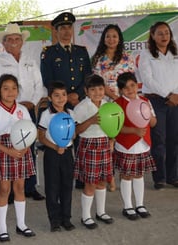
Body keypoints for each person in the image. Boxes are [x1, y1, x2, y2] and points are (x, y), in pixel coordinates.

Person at [0, 23, 46, 202]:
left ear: (22, 41)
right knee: (8, 148)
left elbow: (39, 84)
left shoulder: (30, 59)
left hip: (28, 109)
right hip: (6, 110)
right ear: (4, 43)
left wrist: (33, 102)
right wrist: (12, 102)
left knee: (28, 148)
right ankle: (10, 192)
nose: (14, 42)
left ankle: (29, 186)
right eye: (10, 39)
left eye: (17, 39)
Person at [41, 12, 92, 190]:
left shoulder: (82, 51)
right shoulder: (48, 53)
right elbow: (47, 79)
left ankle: (80, 176)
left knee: (80, 138)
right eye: (62, 28)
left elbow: (88, 76)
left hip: (79, 101)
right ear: (56, 31)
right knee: (60, 138)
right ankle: (62, 175)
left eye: (69, 27)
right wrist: (63, 96)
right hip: (59, 103)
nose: (66, 31)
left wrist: (77, 94)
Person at [0, 74, 36, 242]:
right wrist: (8, 150)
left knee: (20, 187)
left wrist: (25, 147)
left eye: (14, 88)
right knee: (4, 189)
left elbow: (30, 131)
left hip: (21, 150)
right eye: (5, 88)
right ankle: (2, 228)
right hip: (3, 150)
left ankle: (21, 224)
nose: (10, 92)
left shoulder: (22, 110)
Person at [91, 24, 136, 192]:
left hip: (124, 102)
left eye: (114, 36)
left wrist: (120, 98)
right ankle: (108, 177)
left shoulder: (127, 58)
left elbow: (131, 81)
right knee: (107, 142)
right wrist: (110, 95)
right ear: (103, 39)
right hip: (105, 104)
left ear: (119, 39)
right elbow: (96, 82)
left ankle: (123, 174)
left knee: (121, 139)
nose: (111, 39)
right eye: (108, 36)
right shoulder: (98, 59)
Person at [138, 21, 178, 190]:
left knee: (174, 140)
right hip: (156, 101)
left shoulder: (175, 53)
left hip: (176, 100)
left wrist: (175, 95)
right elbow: (148, 80)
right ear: (153, 36)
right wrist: (168, 94)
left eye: (167, 33)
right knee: (159, 140)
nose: (164, 36)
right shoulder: (146, 54)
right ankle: (159, 178)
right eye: (160, 33)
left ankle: (173, 177)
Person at [114, 72, 157, 220]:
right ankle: (127, 206)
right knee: (126, 175)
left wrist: (149, 116)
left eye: (132, 85)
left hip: (143, 144)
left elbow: (153, 122)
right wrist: (134, 130)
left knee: (139, 174)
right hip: (126, 146)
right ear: (120, 90)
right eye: (125, 88)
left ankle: (140, 204)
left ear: (137, 85)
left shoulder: (145, 101)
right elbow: (116, 127)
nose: (130, 89)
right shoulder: (117, 104)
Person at [73, 74, 114, 229]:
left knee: (102, 180)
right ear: (86, 91)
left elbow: (113, 127)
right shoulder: (81, 107)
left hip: (104, 144)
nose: (97, 92)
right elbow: (76, 131)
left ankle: (101, 212)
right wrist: (90, 121)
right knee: (90, 183)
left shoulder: (106, 105)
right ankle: (86, 216)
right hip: (89, 145)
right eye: (93, 89)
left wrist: (111, 140)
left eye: (100, 89)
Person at [37, 81, 75, 232]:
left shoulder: (71, 113)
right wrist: (55, 146)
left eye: (63, 95)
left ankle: (66, 218)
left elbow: (74, 132)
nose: (61, 98)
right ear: (50, 98)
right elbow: (41, 136)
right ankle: (54, 220)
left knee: (67, 186)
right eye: (56, 95)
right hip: (52, 154)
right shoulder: (47, 114)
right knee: (52, 188)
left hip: (67, 154)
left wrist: (70, 137)